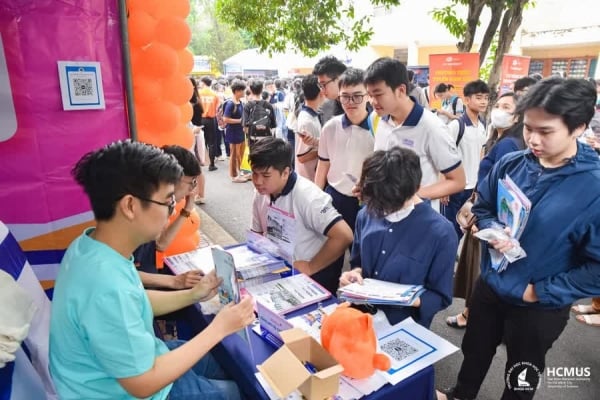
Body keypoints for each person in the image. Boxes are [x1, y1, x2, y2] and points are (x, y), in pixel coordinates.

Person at [49, 140, 255, 400]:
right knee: (239, 392)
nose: (170, 213)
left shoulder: (90, 247)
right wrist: (220, 328)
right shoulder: (104, 285)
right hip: (133, 390)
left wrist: (193, 294)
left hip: (146, 359)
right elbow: (143, 383)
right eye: (168, 202)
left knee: (228, 366)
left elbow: (133, 299)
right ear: (130, 206)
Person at [439, 77, 600, 400]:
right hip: (491, 283)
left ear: (579, 127)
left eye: (546, 131)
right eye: (528, 128)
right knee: (475, 349)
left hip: (539, 303)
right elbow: (483, 206)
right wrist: (490, 229)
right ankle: (462, 393)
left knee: (522, 371)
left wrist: (539, 291)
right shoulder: (512, 162)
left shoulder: (593, 186)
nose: (533, 140)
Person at [339, 147, 457, 328]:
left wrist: (406, 299)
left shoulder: (441, 233)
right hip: (360, 315)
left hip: (403, 324)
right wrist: (354, 275)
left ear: (416, 188)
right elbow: (358, 263)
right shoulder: (367, 214)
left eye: (391, 207)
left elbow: (440, 296)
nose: (384, 212)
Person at [446, 91, 525, 329]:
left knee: (480, 268)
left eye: (507, 108)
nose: (499, 110)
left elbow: (502, 185)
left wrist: (483, 217)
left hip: (490, 215)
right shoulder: (497, 138)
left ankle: (472, 315)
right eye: (498, 105)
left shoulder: (509, 144)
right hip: (489, 211)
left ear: (517, 116)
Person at [249, 137, 353, 295]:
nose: (257, 181)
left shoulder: (309, 197)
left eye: (265, 175)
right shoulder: (261, 193)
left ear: (285, 172)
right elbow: (256, 234)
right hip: (279, 270)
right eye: (254, 173)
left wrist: (311, 266)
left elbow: (344, 235)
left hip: (312, 277)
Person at [364, 57, 466, 210]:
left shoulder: (432, 127)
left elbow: (457, 181)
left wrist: (412, 197)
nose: (372, 101)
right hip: (383, 213)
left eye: (378, 94)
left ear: (401, 90)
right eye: (369, 95)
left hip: (417, 219)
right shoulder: (376, 119)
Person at [134, 145, 204, 287]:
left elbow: (160, 245)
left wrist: (187, 209)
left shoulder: (156, 205)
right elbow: (122, 272)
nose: (193, 189)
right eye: (191, 182)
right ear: (174, 178)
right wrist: (174, 281)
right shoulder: (142, 213)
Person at [315, 67, 374, 233]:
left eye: (357, 96)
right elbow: (323, 165)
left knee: (362, 255)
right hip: (335, 196)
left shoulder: (379, 128)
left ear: (368, 95)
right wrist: (316, 198)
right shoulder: (330, 127)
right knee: (332, 253)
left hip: (368, 200)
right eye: (345, 97)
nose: (350, 102)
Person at [441, 80, 490, 239]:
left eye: (486, 98)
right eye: (479, 97)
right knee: (450, 228)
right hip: (456, 187)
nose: (484, 101)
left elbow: (482, 154)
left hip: (473, 187)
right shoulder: (457, 125)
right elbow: (443, 154)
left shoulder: (482, 125)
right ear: (467, 100)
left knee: (464, 228)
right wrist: (444, 184)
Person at [295, 74, 323, 181]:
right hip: (308, 176)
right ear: (321, 92)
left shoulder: (311, 115)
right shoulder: (307, 121)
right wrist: (326, 148)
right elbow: (302, 157)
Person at [223, 79, 248, 183]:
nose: (244, 92)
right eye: (242, 90)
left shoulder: (240, 102)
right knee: (234, 155)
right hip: (233, 132)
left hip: (240, 131)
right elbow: (225, 119)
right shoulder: (230, 103)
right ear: (237, 91)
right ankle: (234, 175)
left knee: (241, 153)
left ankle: (241, 172)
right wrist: (240, 121)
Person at [313, 56, 347, 124]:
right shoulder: (326, 107)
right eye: (320, 86)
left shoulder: (362, 105)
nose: (322, 90)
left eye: (324, 84)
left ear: (339, 79)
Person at [198, 76, 220, 171]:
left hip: (200, 119)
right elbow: (217, 109)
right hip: (211, 119)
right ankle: (211, 164)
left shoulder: (198, 93)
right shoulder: (215, 95)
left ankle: (200, 162)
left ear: (203, 83)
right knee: (211, 142)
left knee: (200, 141)